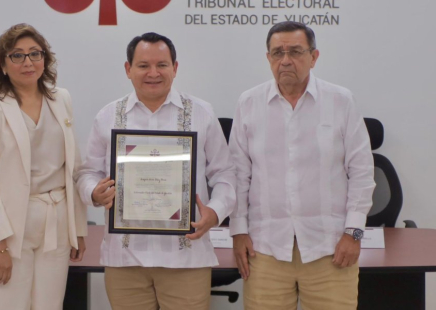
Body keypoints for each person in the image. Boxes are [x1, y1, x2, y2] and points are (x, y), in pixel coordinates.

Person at [75, 32, 236, 310]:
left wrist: (215, 211)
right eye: (143, 65)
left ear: (175, 68)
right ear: (128, 69)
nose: (153, 73)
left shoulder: (202, 113)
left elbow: (225, 175)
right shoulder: (107, 116)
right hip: (125, 260)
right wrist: (94, 192)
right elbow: (86, 172)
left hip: (185, 258)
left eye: (161, 65)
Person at [229, 21, 376, 310]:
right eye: (277, 53)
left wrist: (354, 232)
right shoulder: (249, 103)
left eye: (295, 51)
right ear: (268, 58)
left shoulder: (340, 101)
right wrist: (238, 230)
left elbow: (361, 171)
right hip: (265, 250)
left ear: (314, 56)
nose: (285, 60)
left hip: (330, 249)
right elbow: (238, 175)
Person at [0, 23, 87, 310]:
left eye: (35, 54)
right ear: (3, 65)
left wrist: (78, 227)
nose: (28, 62)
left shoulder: (61, 99)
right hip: (7, 228)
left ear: (45, 59)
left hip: (56, 223)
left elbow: (74, 168)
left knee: (48, 306)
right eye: (17, 55)